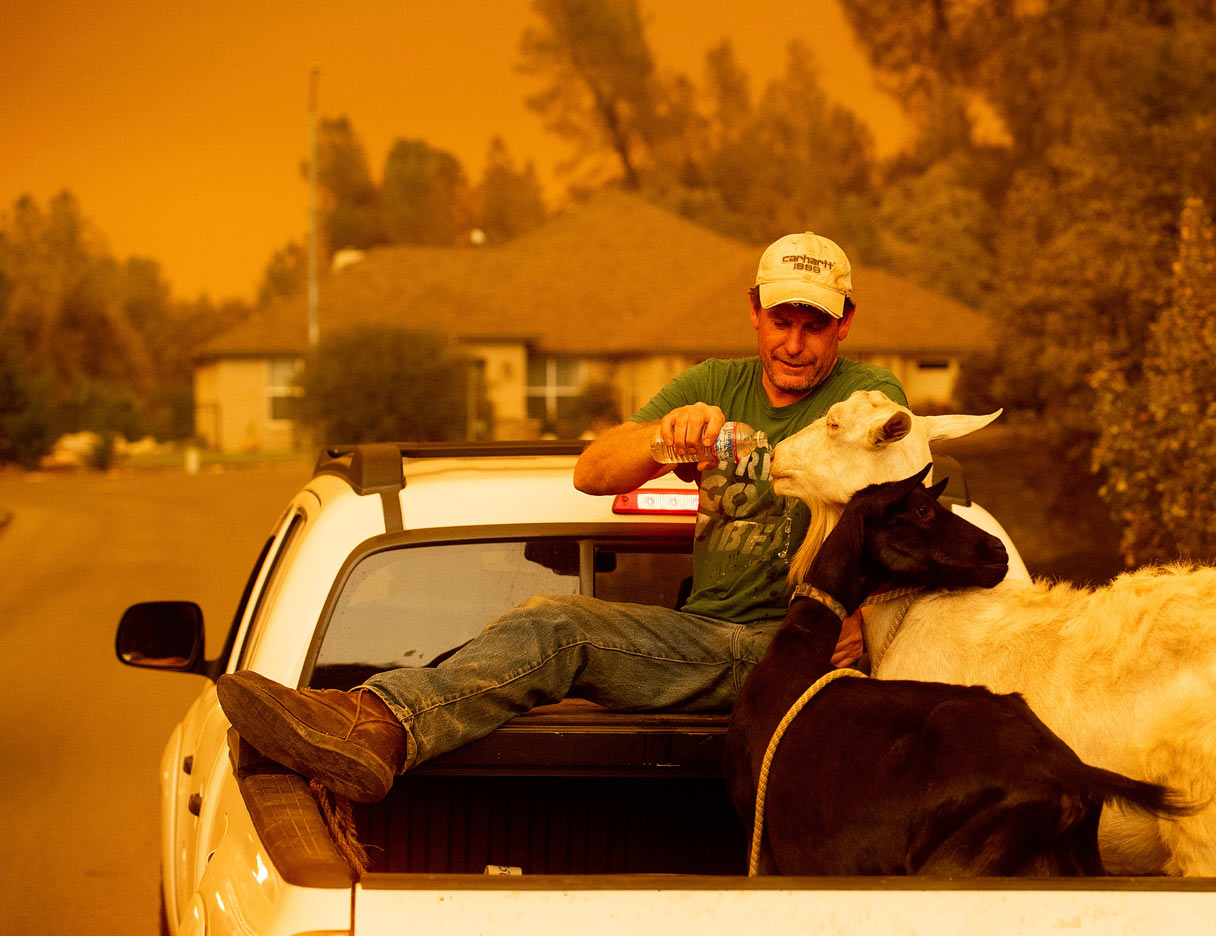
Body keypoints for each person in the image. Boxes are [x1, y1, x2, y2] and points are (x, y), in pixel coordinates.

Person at [217, 231, 908, 803]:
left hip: (792, 648)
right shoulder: (710, 384)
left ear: (844, 322)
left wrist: (867, 615)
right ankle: (362, 719)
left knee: (559, 626)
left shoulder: (872, 400)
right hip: (705, 639)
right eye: (781, 322)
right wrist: (665, 438)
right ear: (754, 313)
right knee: (556, 627)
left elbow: (908, 517)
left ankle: (373, 724)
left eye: (814, 326)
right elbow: (591, 471)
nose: (794, 343)